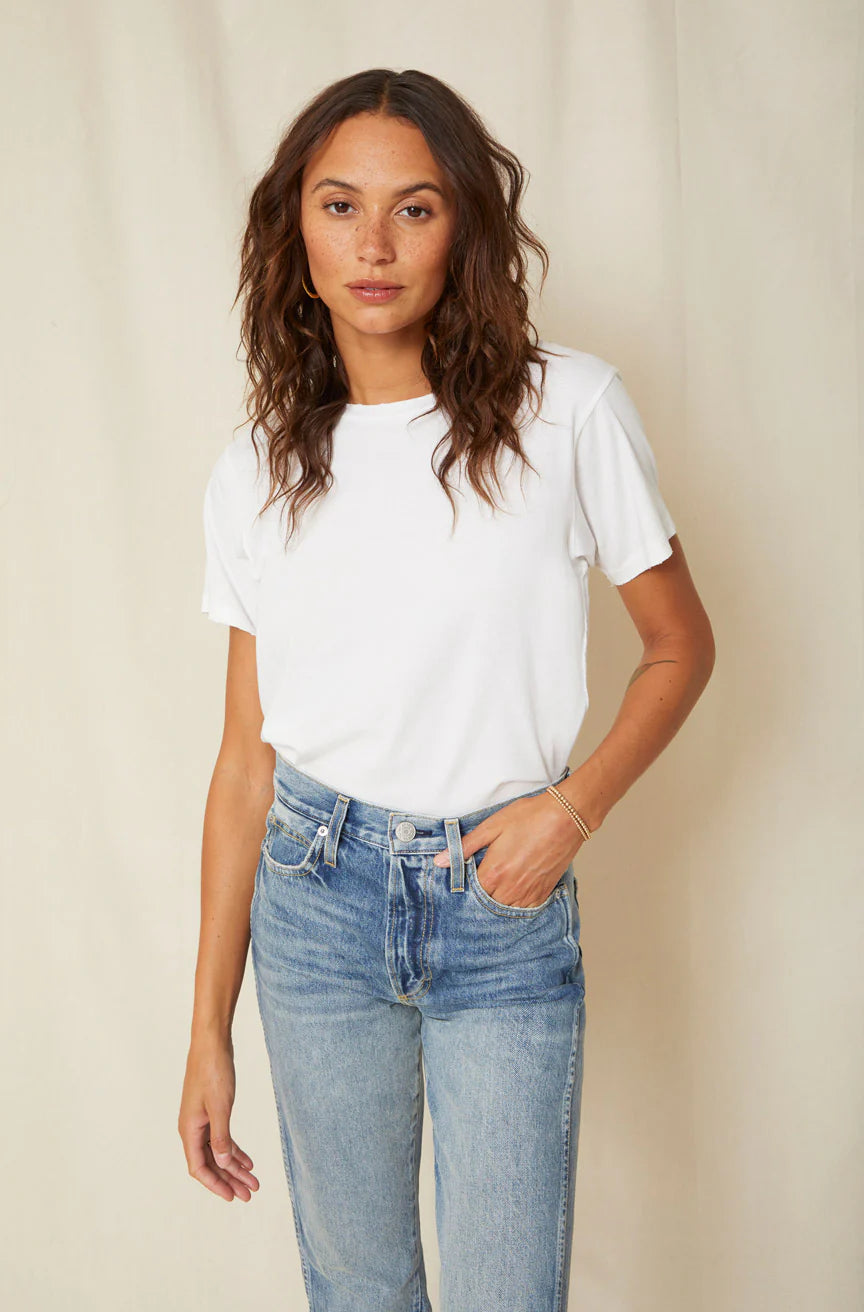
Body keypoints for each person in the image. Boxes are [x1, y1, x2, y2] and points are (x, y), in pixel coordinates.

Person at [178, 67, 715, 1312]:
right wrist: (206, 1033)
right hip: (314, 899)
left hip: (499, 902)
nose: (374, 244)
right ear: (292, 229)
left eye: (414, 209)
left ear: (464, 225)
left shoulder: (568, 410)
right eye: (340, 205)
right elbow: (244, 763)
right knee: (358, 1288)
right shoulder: (257, 469)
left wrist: (569, 810)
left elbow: (682, 645)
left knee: (508, 1295)